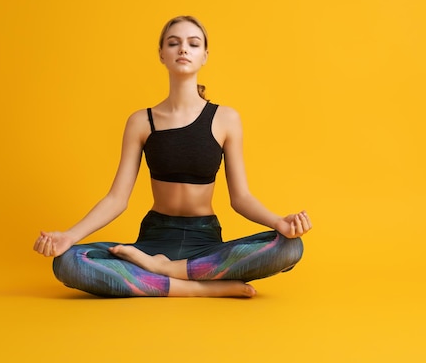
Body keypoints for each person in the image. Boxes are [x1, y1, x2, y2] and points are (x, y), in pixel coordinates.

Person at [33, 15, 311, 298]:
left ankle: (165, 273)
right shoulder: (141, 121)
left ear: (205, 56)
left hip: (205, 245)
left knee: (290, 247)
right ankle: (197, 289)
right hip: (153, 240)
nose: (183, 49)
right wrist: (70, 236)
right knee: (68, 262)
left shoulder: (226, 119)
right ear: (162, 55)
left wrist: (279, 223)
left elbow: (241, 199)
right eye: (173, 43)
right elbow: (116, 199)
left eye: (193, 43)